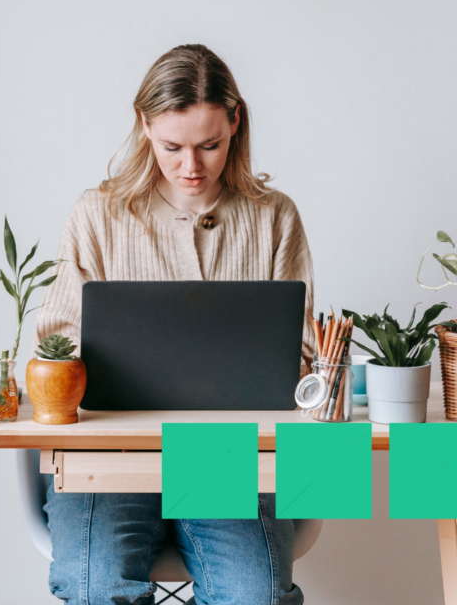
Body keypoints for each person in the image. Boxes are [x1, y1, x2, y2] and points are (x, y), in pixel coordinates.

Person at [32, 44, 315, 605]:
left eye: (210, 144)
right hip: (107, 459)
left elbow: (302, 361)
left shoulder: (274, 216)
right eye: (172, 147)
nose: (192, 166)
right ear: (144, 126)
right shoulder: (98, 214)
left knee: (254, 596)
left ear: (235, 122)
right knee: (95, 589)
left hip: (229, 461)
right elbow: (55, 344)